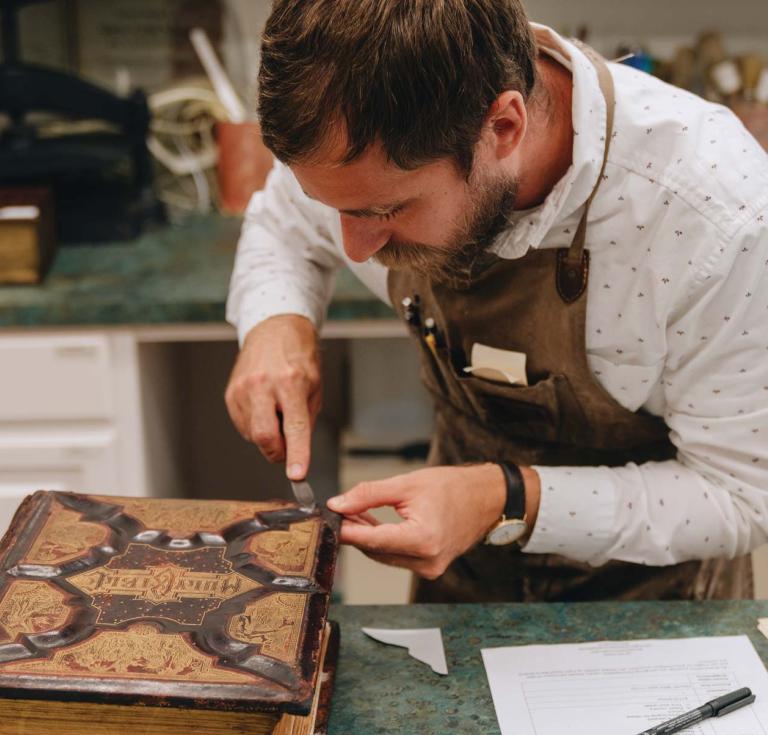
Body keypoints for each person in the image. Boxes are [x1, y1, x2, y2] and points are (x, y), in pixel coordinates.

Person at [225, 0, 768, 603]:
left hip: (655, 616)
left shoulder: (712, 214)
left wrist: (504, 498)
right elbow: (284, 219)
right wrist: (276, 321)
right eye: (338, 209)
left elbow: (742, 495)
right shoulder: (359, 133)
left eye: (385, 211)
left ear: (504, 128)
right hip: (461, 595)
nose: (356, 249)